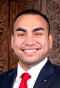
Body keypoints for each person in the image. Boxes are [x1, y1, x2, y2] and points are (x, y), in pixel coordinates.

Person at [0, 9, 60, 88]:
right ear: (12, 41)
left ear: (49, 40)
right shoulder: (1, 80)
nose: (29, 42)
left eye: (38, 34)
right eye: (21, 34)